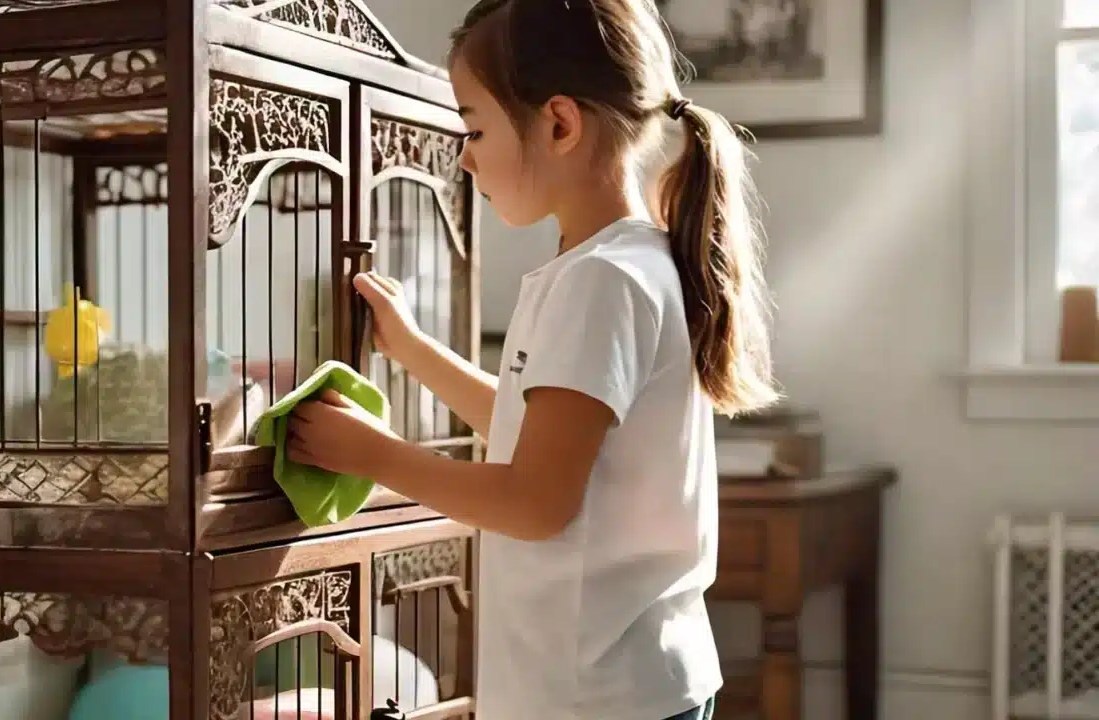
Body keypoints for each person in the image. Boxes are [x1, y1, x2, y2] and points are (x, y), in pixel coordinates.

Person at [286, 0, 780, 718]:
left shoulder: (601, 281)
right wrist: (414, 352)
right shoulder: (625, 264)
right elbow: (537, 431)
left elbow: (537, 499)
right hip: (634, 684)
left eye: (475, 128)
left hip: (598, 697)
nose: (464, 155)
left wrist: (375, 456)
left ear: (558, 124)